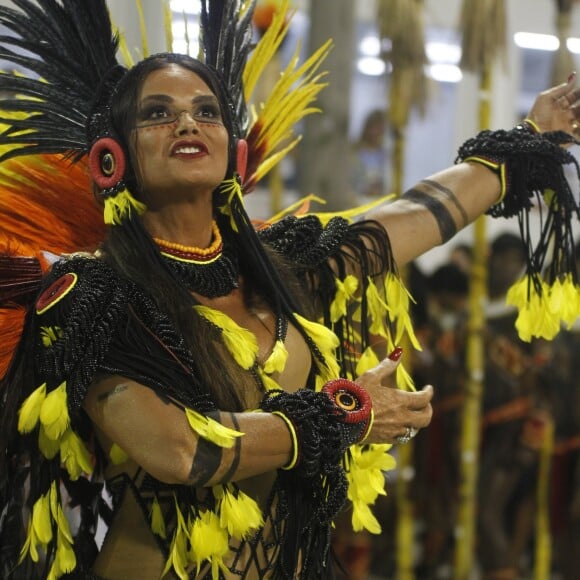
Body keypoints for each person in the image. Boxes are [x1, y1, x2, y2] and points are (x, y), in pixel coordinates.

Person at [0, 1, 578, 579]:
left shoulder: (282, 267)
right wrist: (345, 416)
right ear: (112, 157)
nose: (187, 124)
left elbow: (410, 216)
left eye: (207, 111)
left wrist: (531, 138)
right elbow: (181, 451)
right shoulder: (92, 295)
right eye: (158, 113)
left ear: (233, 148)